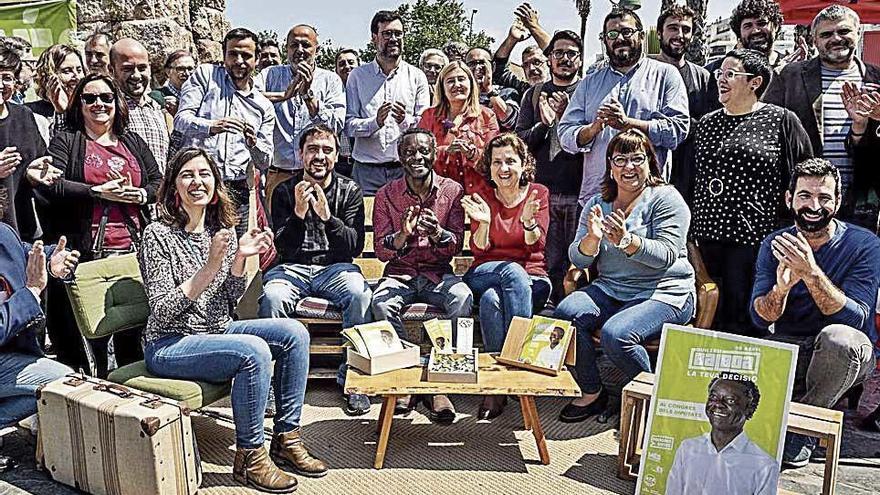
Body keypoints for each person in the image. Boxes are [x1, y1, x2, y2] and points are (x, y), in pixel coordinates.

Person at [140, 148, 327, 494]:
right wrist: (210, 266)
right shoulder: (157, 234)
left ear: (216, 183)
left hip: (215, 330)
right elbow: (163, 311)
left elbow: (229, 299)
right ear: (173, 186)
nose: (197, 182)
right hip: (169, 343)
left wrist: (240, 258)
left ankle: (286, 437)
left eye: (205, 174)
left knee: (294, 332)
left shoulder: (218, 228)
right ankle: (250, 458)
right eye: (187, 175)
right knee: (253, 351)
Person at [554, 129, 695, 422]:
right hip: (612, 288)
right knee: (566, 313)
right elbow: (578, 258)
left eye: (637, 158)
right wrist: (592, 240)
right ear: (609, 165)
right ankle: (593, 392)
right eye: (620, 159)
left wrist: (626, 241)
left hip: (663, 291)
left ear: (649, 163)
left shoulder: (666, 199)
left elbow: (666, 256)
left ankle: (654, 398)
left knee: (616, 334)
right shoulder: (597, 204)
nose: (628, 166)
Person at [750, 159, 880, 467]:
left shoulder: (865, 244)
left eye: (824, 197)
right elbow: (759, 318)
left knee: (840, 340)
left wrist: (810, 273)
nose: (814, 205)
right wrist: (780, 291)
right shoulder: (774, 243)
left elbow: (856, 320)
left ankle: (799, 429)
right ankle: (792, 409)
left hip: (845, 356)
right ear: (789, 199)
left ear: (837, 200)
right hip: (791, 348)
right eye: (805, 196)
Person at [41, 73, 162, 373]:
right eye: (90, 98)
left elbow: (159, 181)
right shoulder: (68, 140)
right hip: (88, 252)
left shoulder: (131, 140)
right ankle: (94, 398)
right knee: (92, 332)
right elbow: (51, 184)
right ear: (79, 104)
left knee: (131, 333)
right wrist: (95, 192)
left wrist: (140, 194)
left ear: (116, 102)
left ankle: (130, 397)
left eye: (106, 98)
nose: (99, 104)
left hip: (132, 250)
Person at [692, 49, 813, 336]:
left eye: (730, 74)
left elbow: (803, 174)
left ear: (754, 82)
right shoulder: (707, 123)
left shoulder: (781, 120)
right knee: (711, 315)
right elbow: (690, 179)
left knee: (746, 319)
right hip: (708, 240)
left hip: (755, 243)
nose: (721, 79)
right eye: (719, 73)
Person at [258, 124, 372, 417]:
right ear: (301, 155)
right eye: (312, 150)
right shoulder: (284, 190)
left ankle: (353, 380)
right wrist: (297, 213)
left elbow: (353, 246)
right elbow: (281, 248)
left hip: (335, 267)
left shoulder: (349, 190)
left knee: (359, 294)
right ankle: (273, 381)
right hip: (293, 268)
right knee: (272, 297)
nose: (319, 157)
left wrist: (327, 217)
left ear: (336, 156)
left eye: (326, 150)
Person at [371, 128, 472, 422]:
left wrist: (438, 233)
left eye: (423, 151)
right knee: (380, 302)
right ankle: (408, 375)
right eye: (409, 152)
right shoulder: (386, 194)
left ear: (435, 154)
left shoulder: (451, 191)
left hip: (437, 273)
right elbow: (381, 250)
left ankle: (439, 380)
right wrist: (403, 234)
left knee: (462, 297)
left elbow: (454, 246)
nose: (417, 157)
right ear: (400, 157)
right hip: (399, 273)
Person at [558, 7, 689, 206]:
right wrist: (592, 129)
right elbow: (565, 134)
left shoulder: (666, 75)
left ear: (642, 36)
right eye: (612, 34)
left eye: (627, 32)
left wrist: (627, 123)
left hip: (648, 201)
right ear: (604, 40)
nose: (620, 38)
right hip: (597, 200)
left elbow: (678, 130)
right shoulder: (589, 83)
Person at [461, 133, 550, 420]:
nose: (504, 168)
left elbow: (536, 244)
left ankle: (496, 387)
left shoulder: (538, 193)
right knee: (507, 274)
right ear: (489, 167)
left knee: (491, 301)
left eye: (510, 161)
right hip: (485, 271)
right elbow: (479, 248)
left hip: (532, 279)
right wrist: (484, 222)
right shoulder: (483, 197)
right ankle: (520, 364)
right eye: (497, 162)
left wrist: (527, 222)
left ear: (524, 164)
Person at [764, 5, 880, 222]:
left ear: (858, 33)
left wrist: (871, 122)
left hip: (862, 203)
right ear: (815, 41)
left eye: (843, 31)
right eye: (826, 34)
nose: (836, 39)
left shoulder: (876, 79)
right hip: (806, 205)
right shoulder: (789, 77)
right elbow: (767, 133)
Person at [0, 197, 78, 472]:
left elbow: (24, 253)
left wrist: (50, 259)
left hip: (7, 357)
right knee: (60, 381)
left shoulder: (3, 232)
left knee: (62, 384)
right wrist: (32, 291)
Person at [173, 28, 275, 233]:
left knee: (237, 255)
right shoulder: (205, 76)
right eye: (233, 54)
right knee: (195, 250)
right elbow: (180, 121)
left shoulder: (263, 106)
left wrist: (253, 143)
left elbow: (265, 161)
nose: (239, 61)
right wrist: (211, 127)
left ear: (256, 60)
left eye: (246, 55)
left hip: (237, 190)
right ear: (224, 54)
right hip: (198, 185)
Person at [516, 29, 584, 307]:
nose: (564, 59)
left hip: (582, 193)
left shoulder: (588, 91)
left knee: (581, 267)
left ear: (580, 60)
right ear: (549, 58)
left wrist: (567, 117)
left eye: (571, 54)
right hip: (544, 194)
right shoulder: (534, 95)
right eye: (558, 53)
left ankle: (579, 324)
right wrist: (544, 125)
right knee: (547, 264)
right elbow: (520, 142)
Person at [256, 24, 345, 208]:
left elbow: (336, 125)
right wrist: (282, 96)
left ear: (317, 50)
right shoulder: (270, 75)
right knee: (277, 234)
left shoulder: (330, 80)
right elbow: (247, 98)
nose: (300, 51)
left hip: (318, 177)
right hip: (279, 175)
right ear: (286, 49)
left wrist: (308, 96)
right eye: (294, 45)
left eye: (305, 45)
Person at [344, 10, 430, 196]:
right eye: (387, 34)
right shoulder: (357, 76)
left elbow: (425, 127)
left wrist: (405, 122)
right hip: (366, 172)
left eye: (398, 34)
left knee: (407, 223)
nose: (394, 39)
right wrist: (375, 123)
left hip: (406, 170)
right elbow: (348, 126)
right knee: (364, 224)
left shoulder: (416, 77)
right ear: (374, 37)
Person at [665, 374, 777, 495]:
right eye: (713, 397)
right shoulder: (687, 448)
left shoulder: (765, 465)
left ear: (749, 409)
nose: (718, 404)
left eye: (730, 400)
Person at [0, 48, 61, 242]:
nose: (0, 84)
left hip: (23, 231)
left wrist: (34, 174)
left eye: (6, 77)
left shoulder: (24, 116)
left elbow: (37, 162)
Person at [653, 4, 711, 206]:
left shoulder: (703, 77)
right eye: (673, 28)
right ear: (659, 33)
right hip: (649, 173)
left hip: (688, 177)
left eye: (686, 29)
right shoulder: (644, 72)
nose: (679, 35)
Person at [418, 61, 499, 194]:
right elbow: (419, 155)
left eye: (461, 79)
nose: (457, 85)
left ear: (471, 84)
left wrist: (473, 154)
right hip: (439, 194)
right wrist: (445, 151)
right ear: (442, 87)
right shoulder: (428, 116)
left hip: (478, 195)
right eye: (450, 81)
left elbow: (494, 159)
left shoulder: (487, 116)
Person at [705, 0, 794, 113]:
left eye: (762, 23)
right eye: (748, 26)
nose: (756, 30)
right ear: (739, 33)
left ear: (775, 27)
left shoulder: (790, 69)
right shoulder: (715, 72)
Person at [110, 39, 170, 175]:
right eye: (127, 69)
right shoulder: (108, 110)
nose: (136, 76)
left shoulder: (159, 110)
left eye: (142, 68)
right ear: (111, 70)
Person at [492, 3, 551, 96]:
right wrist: (511, 39)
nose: (531, 68)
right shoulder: (523, 90)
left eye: (537, 62)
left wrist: (533, 27)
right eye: (526, 65)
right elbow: (498, 72)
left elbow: (557, 54)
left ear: (549, 63)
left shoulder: (566, 86)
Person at [26, 44, 84, 132]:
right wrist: (60, 112)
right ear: (48, 75)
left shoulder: (89, 108)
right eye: (67, 71)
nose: (77, 77)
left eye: (79, 70)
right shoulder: (31, 113)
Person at [464, 47, 520, 132]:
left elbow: (511, 122)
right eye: (472, 64)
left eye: (482, 62)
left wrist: (489, 90)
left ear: (493, 67)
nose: (477, 67)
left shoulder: (507, 92)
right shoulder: (461, 95)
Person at [334, 49, 360, 177]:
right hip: (337, 163)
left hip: (360, 163)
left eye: (351, 62)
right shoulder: (332, 96)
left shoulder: (365, 94)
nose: (347, 67)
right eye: (342, 64)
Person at [158, 50, 196, 116]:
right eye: (181, 69)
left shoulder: (199, 98)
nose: (187, 73)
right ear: (168, 72)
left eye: (190, 69)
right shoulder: (158, 98)